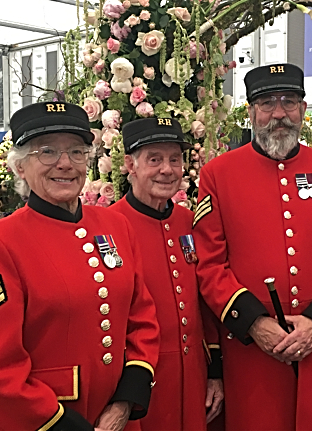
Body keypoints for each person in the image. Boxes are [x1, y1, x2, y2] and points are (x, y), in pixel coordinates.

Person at [0, 102, 160, 431]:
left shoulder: (115, 226)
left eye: (77, 152)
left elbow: (142, 318)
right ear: (20, 167)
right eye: (47, 151)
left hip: (118, 420)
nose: (65, 164)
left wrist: (125, 402)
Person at [193, 63, 312, 430]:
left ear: (304, 110)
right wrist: (256, 324)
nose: (279, 113)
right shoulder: (217, 175)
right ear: (251, 111)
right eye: (267, 103)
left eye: (289, 102)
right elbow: (209, 265)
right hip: (254, 355)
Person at [111, 118, 224, 429]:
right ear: (130, 165)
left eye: (175, 159)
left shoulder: (190, 222)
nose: (167, 169)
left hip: (193, 378)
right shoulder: (107, 227)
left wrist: (214, 373)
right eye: (155, 159)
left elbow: (206, 303)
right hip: (138, 382)